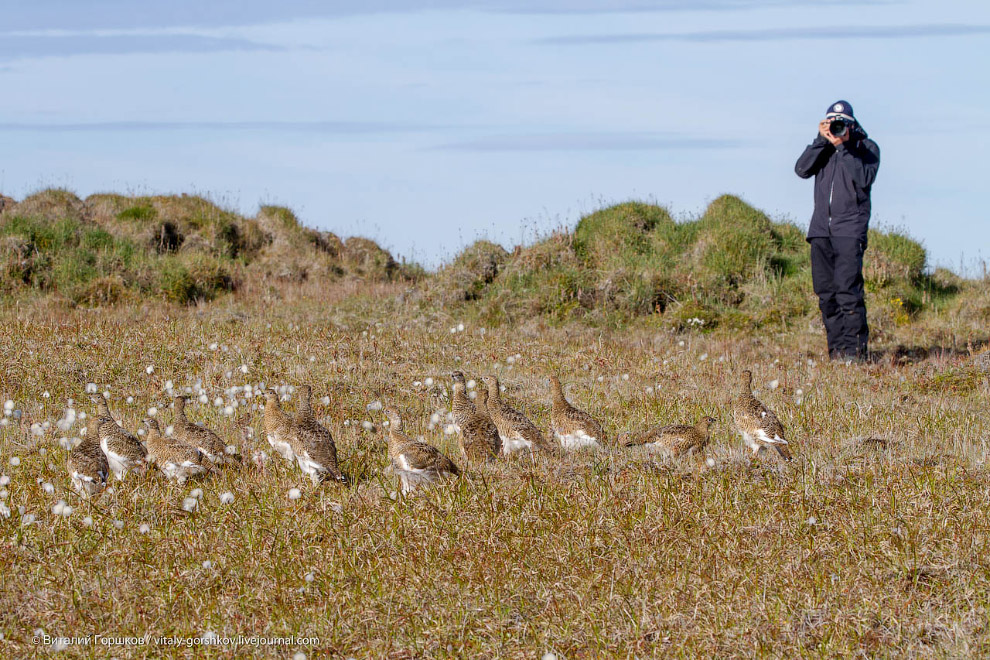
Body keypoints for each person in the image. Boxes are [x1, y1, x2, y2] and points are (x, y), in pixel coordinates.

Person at [795, 100, 880, 362]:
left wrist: (842, 147)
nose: (838, 127)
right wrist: (821, 141)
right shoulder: (823, 148)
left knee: (848, 291)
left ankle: (855, 354)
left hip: (849, 229)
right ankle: (837, 352)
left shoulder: (866, 148)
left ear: (852, 125)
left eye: (842, 123)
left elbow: (864, 178)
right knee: (826, 293)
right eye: (832, 122)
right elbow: (801, 169)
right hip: (821, 230)